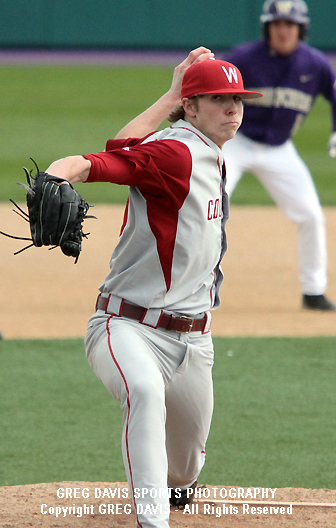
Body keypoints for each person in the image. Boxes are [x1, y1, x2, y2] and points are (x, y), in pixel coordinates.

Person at [45, 49, 262, 528]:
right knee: (143, 390)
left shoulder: (212, 151)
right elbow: (105, 161)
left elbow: (125, 148)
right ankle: (151, 521)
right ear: (192, 107)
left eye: (237, 99)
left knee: (182, 472)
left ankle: (173, 492)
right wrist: (63, 171)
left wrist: (170, 96)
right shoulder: (177, 150)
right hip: (126, 325)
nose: (232, 108)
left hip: (193, 340)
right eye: (218, 99)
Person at [221, 0, 336, 311]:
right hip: (236, 143)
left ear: (301, 29)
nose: (283, 30)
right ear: (267, 28)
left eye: (290, 24)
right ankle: (195, 286)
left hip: (280, 149)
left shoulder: (315, 64)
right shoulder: (243, 58)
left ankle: (313, 291)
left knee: (311, 215)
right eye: (277, 24)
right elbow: (207, 87)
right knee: (210, 208)